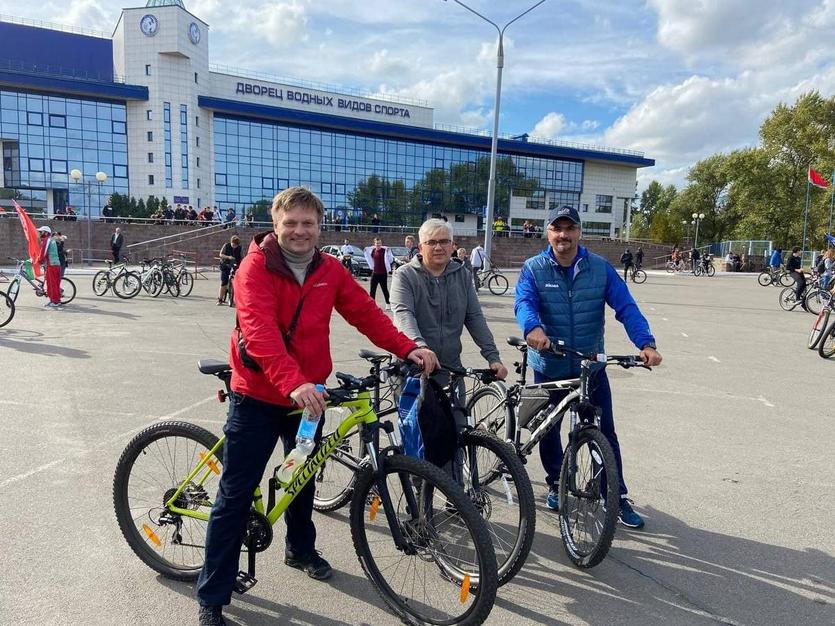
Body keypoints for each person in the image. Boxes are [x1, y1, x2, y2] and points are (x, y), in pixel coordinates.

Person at [195, 187, 437, 626]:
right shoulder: (254, 269)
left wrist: (408, 348)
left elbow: (367, 313)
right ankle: (211, 597)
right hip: (259, 393)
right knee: (233, 495)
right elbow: (260, 332)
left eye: (308, 223)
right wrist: (293, 383)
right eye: (291, 223)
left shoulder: (329, 269)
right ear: (276, 225)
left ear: (320, 227)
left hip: (308, 397)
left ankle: (300, 549)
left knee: (303, 477)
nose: (299, 231)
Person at [514, 205, 662, 528]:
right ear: (548, 232)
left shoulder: (600, 269)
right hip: (549, 365)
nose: (563, 235)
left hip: (590, 366)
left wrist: (646, 344)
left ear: (579, 232)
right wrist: (532, 328)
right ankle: (557, 482)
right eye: (557, 228)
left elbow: (626, 306)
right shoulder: (533, 268)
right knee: (549, 430)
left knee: (604, 433)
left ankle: (615, 495)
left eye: (570, 228)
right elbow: (524, 302)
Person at [391, 218, 507, 426]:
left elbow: (474, 318)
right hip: (414, 369)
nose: (438, 247)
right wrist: (421, 347)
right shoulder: (404, 275)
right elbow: (403, 315)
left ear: (453, 246)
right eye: (431, 242)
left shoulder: (462, 275)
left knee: (457, 433)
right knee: (418, 441)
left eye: (444, 242)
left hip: (451, 370)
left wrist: (493, 357)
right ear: (420, 247)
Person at [364, 237, 395, 310]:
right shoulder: (373, 251)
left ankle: (388, 304)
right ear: (374, 244)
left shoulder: (384, 251)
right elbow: (368, 254)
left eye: (379, 243)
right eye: (377, 243)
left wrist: (388, 251)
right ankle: (372, 304)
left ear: (381, 244)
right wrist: (366, 250)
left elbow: (390, 259)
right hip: (375, 272)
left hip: (383, 273)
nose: (378, 245)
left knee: (384, 289)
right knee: (372, 289)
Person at [37, 226, 62, 308]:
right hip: (56, 264)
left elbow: (43, 253)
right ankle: (56, 300)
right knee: (55, 284)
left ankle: (54, 302)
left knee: (52, 284)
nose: (40, 233)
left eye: (41, 232)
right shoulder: (51, 240)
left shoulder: (46, 240)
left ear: (46, 233)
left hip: (52, 265)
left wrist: (38, 261)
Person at [217, 235, 242, 305]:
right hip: (225, 264)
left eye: (236, 245)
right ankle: (220, 299)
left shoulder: (239, 248)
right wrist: (228, 257)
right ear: (231, 242)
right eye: (233, 245)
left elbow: (241, 257)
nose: (234, 246)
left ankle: (234, 297)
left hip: (234, 265)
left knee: (238, 281)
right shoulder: (226, 245)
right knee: (224, 282)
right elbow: (221, 254)